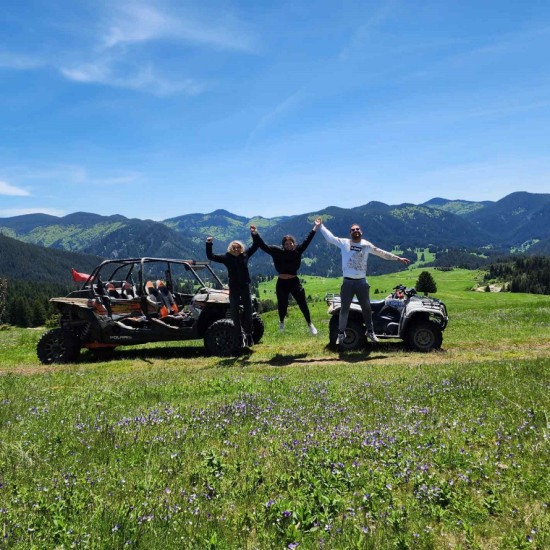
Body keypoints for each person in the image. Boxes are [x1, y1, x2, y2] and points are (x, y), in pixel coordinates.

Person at [316, 218, 410, 345]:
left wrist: (397, 258)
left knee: (366, 308)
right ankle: (340, 333)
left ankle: (370, 332)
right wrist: (320, 226)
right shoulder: (344, 243)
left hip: (361, 282)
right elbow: (330, 238)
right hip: (348, 282)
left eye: (357, 229)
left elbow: (381, 253)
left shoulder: (366, 245)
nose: (355, 231)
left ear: (361, 232)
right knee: (344, 309)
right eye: (353, 230)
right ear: (350, 233)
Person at [254, 219, 321, 335]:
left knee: (303, 304)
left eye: (291, 243)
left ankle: (310, 324)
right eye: (286, 243)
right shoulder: (277, 251)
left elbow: (308, 240)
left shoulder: (298, 251)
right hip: (282, 283)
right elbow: (263, 246)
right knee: (282, 305)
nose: (289, 245)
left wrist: (315, 226)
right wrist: (255, 234)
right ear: (283, 245)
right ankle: (281, 321)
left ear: (294, 244)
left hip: (294, 282)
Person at [206, 226, 260, 348]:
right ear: (231, 248)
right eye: (234, 247)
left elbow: (256, 245)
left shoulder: (245, 255)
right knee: (234, 313)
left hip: (245, 287)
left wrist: (254, 233)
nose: (236, 249)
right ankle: (239, 338)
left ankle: (249, 335)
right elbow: (211, 256)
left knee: (249, 312)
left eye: (238, 247)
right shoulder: (227, 257)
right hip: (234, 289)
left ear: (241, 248)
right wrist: (209, 243)